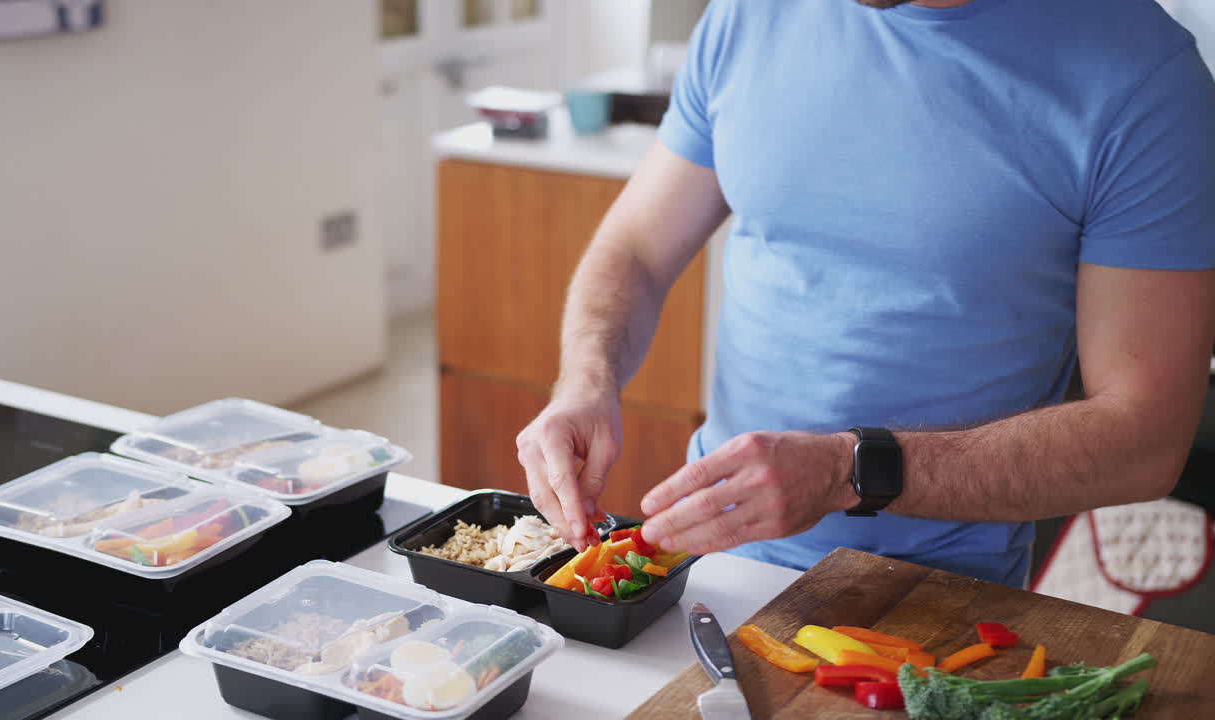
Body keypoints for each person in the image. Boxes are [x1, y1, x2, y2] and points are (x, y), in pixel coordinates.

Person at [515, 0, 1215, 587]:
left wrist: (846, 471)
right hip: (711, 568)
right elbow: (636, 248)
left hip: (935, 604)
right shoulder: (750, 13)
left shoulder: (1145, 78)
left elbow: (1146, 439)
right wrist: (586, 382)